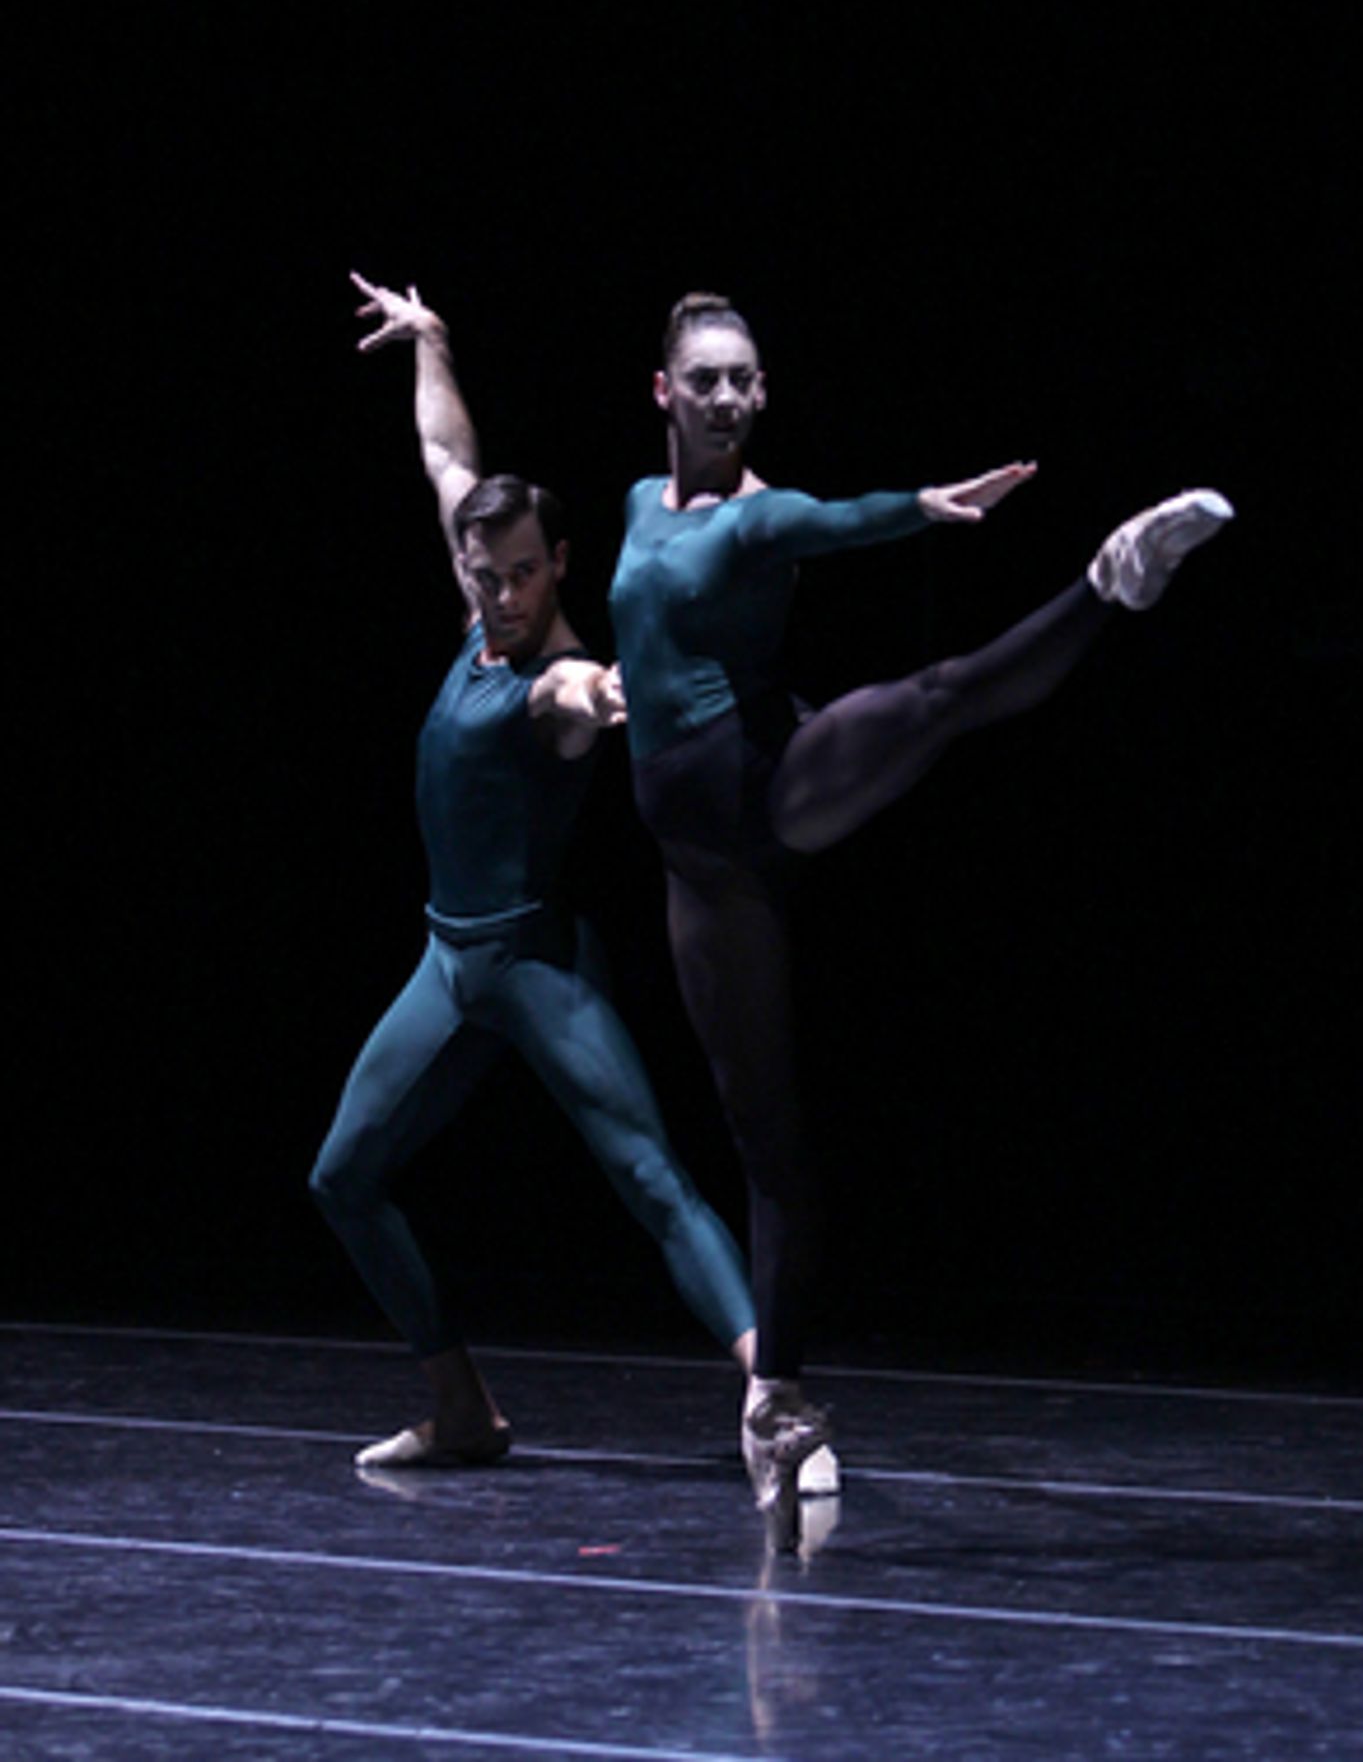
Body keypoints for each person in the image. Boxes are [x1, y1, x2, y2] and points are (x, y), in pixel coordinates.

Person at [608, 290, 1234, 1536]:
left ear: (762, 394)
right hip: (699, 875)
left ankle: (1108, 583)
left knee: (936, 699)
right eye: (709, 379)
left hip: (769, 791)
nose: (731, 397)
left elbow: (826, 522)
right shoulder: (634, 506)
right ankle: (773, 1402)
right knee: (766, 1142)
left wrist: (920, 509)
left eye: (748, 379)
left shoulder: (760, 517)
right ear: (664, 392)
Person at [310, 275, 756, 1469]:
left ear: (558, 563)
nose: (498, 594)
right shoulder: (477, 614)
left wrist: (611, 690)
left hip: (534, 967)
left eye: (518, 574)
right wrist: (433, 343)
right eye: (480, 575)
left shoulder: (547, 675)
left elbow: (580, 699)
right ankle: (461, 1405)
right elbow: (445, 455)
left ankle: (774, 1393)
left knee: (649, 1176)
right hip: (448, 964)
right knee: (342, 1179)